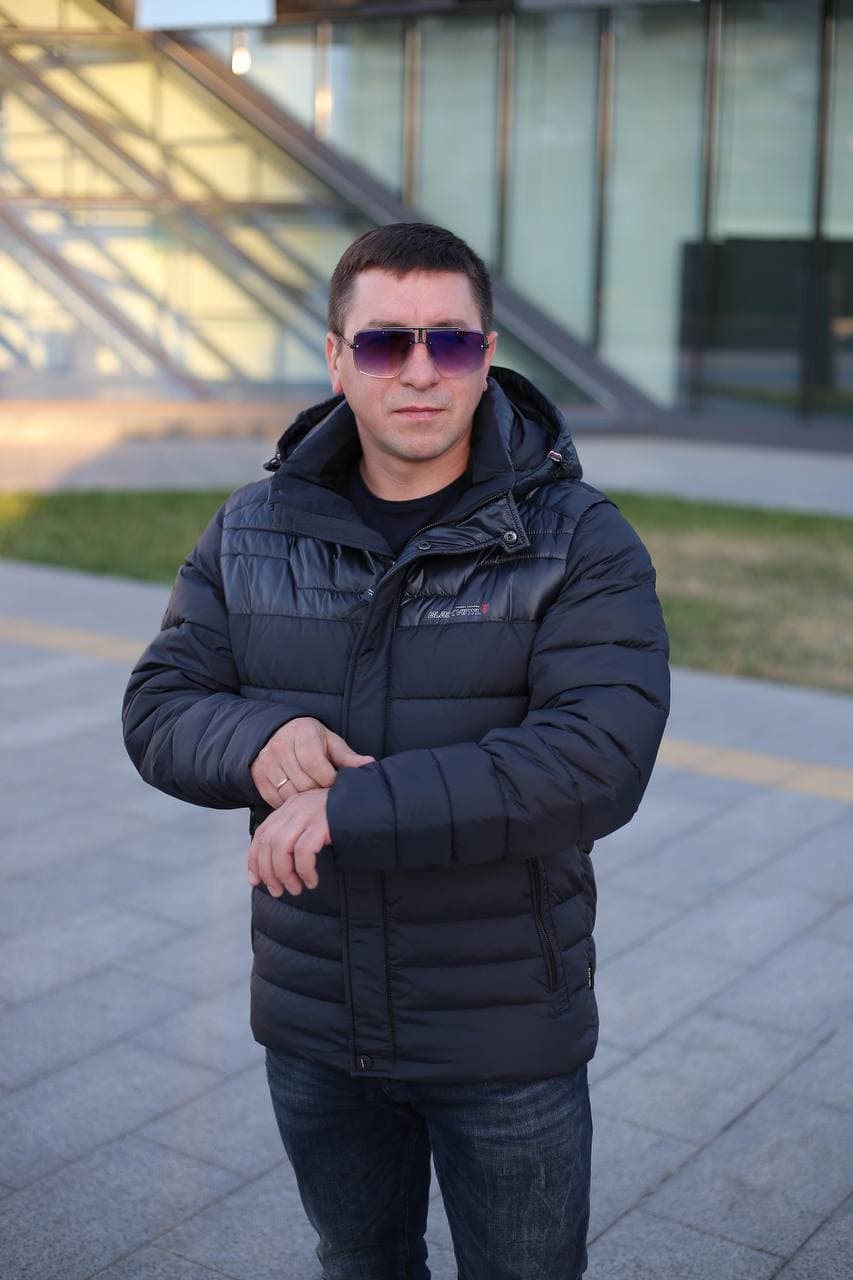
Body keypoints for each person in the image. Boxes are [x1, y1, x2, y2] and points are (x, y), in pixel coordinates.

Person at [122, 221, 670, 1280]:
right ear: (337, 359)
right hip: (315, 1024)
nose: (419, 371)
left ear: (486, 354)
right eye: (383, 343)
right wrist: (261, 737)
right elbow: (159, 704)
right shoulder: (252, 528)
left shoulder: (578, 537)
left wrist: (347, 807)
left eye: (449, 342)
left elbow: (595, 758)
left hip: (502, 1032)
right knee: (358, 1260)